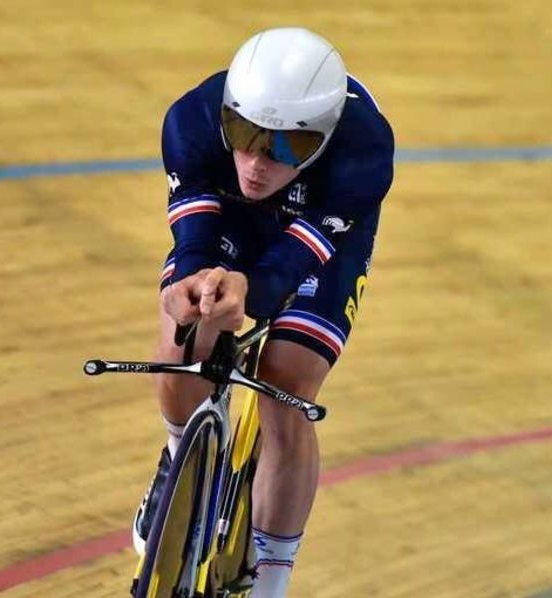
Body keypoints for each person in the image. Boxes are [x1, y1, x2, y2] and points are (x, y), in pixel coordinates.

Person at [134, 27, 394, 597]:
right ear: (227, 114)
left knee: (287, 388)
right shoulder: (192, 121)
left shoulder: (363, 151)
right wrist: (195, 283)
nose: (255, 164)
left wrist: (251, 294)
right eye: (244, 135)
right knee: (183, 329)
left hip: (316, 229)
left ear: (322, 140)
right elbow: (196, 242)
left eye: (285, 148)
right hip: (231, 220)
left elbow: (287, 269)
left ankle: (271, 579)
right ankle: (181, 464)